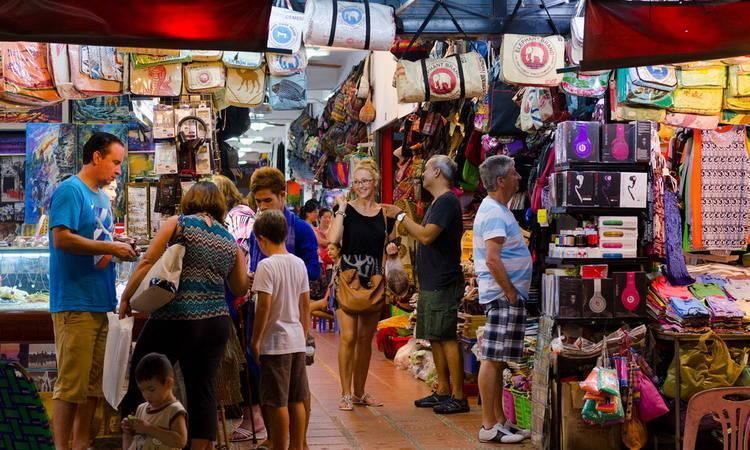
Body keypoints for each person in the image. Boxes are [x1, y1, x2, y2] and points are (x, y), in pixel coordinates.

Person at [119, 182, 250, 450]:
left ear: (190, 200)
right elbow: (238, 287)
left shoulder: (178, 223)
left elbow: (147, 261)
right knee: (203, 389)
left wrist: (126, 297)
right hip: (215, 323)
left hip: (176, 317)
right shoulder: (229, 238)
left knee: (141, 374)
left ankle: (134, 440)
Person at [48, 132, 137, 450]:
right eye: (114, 162)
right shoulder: (70, 191)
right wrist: (110, 246)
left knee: (93, 386)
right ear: (96, 157)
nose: (117, 170)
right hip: (75, 301)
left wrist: (118, 246)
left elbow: (99, 246)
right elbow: (62, 238)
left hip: (101, 302)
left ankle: (82, 443)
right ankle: (62, 446)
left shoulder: (101, 197)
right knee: (71, 385)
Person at [383, 155, 468, 414]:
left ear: (439, 174)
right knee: (435, 337)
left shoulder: (447, 201)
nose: (423, 174)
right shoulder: (438, 202)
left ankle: (459, 396)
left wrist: (400, 217)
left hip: (443, 280)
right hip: (433, 280)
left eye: (428, 169)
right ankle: (442, 390)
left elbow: (427, 235)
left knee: (447, 337)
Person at [246, 167, 320, 448]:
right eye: (258, 202)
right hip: (283, 323)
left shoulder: (300, 229)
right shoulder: (258, 229)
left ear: (281, 196)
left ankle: (295, 442)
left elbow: (313, 271)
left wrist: (277, 274)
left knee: (294, 391)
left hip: (283, 324)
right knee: (275, 388)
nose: (262, 207)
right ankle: (278, 438)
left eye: (267, 201)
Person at [327, 159, 395, 411]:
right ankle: (345, 393)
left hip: (373, 279)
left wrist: (392, 248)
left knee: (365, 339)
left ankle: (359, 392)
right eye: (356, 182)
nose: (361, 186)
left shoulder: (384, 213)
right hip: (347, 277)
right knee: (348, 337)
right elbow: (332, 239)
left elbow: (388, 245)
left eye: (365, 180)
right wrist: (342, 209)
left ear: (375, 182)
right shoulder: (345, 209)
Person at [472, 155, 531, 444]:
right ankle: (488, 425)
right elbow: (493, 260)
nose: (518, 177)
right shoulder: (494, 213)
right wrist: (509, 292)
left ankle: (499, 420)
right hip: (501, 296)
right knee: (492, 359)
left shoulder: (498, 209)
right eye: (514, 173)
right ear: (500, 181)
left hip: (504, 295)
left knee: (496, 359)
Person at [250, 210, 311, 450]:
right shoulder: (299, 263)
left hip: (275, 343)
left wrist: (256, 340)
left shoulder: (266, 266)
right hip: (296, 341)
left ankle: (279, 446)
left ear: (262, 239)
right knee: (297, 398)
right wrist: (303, 335)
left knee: (277, 402)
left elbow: (263, 307)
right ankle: (297, 446)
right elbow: (305, 305)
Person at [212, 174, 265, 442]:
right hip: (236, 293)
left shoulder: (239, 215)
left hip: (240, 297)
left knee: (244, 356)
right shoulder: (235, 216)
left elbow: (236, 252)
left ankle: (253, 416)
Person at [122, 353, 188, 450]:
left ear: (168, 383)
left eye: (151, 389)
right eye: (142, 390)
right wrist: (128, 432)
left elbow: (181, 441)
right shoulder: (141, 408)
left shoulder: (174, 410)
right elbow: (134, 443)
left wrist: (149, 429)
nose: (146, 395)